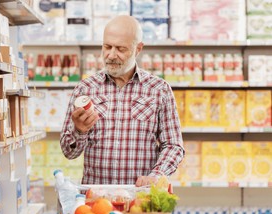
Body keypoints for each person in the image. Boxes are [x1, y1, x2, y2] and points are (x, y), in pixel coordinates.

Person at [60, 15, 185, 187]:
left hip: (140, 199)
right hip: (97, 201)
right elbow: (68, 152)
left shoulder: (159, 89)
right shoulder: (85, 89)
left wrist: (156, 175)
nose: (111, 55)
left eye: (120, 49)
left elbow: (173, 145)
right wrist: (79, 131)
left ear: (138, 49)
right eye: (107, 47)